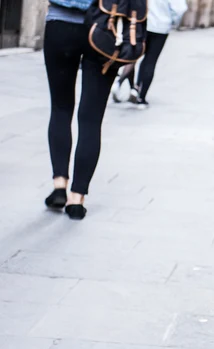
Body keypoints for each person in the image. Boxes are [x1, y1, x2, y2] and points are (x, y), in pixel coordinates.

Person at [43, 0, 119, 220]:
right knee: (91, 119)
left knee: (60, 108)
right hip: (106, 26)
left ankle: (59, 185)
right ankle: (77, 198)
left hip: (61, 22)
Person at [111, 0, 188, 109]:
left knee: (134, 56)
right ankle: (140, 97)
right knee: (150, 60)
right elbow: (180, 8)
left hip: (142, 22)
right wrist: (172, 21)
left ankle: (120, 83)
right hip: (161, 26)